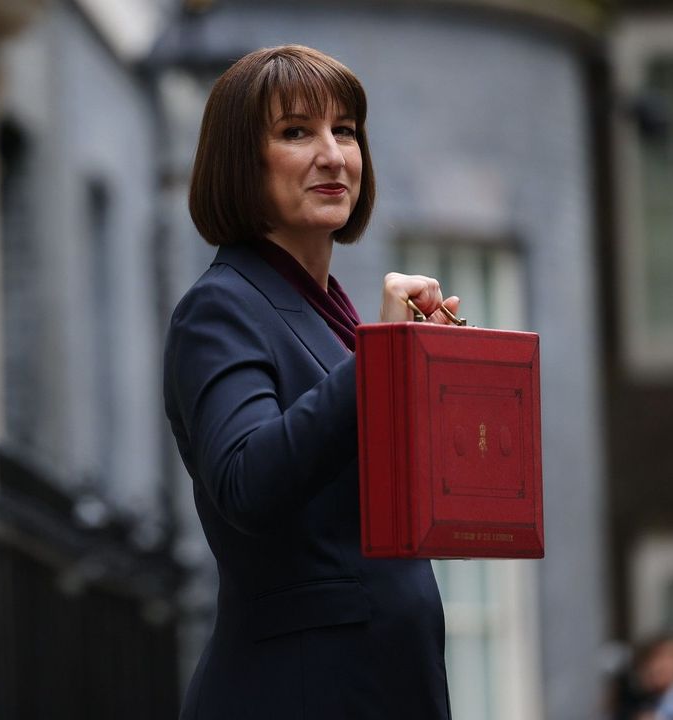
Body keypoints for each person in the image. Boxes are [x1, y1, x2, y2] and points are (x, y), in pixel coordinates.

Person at [163, 45, 460, 719]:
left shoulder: (331, 317)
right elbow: (247, 478)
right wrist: (381, 359)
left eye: (345, 131)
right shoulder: (220, 307)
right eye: (296, 132)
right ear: (241, 161)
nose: (333, 155)